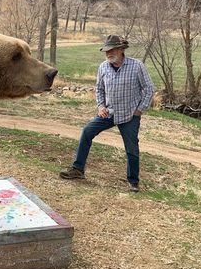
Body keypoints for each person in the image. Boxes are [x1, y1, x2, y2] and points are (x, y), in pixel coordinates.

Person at [60, 34, 155, 192]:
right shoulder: (103, 67)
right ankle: (78, 169)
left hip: (129, 114)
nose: (108, 54)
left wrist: (139, 110)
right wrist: (100, 106)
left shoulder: (137, 66)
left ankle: (133, 181)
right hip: (108, 112)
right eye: (106, 51)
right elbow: (99, 89)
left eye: (111, 50)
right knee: (87, 132)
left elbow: (149, 89)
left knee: (131, 148)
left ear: (120, 50)